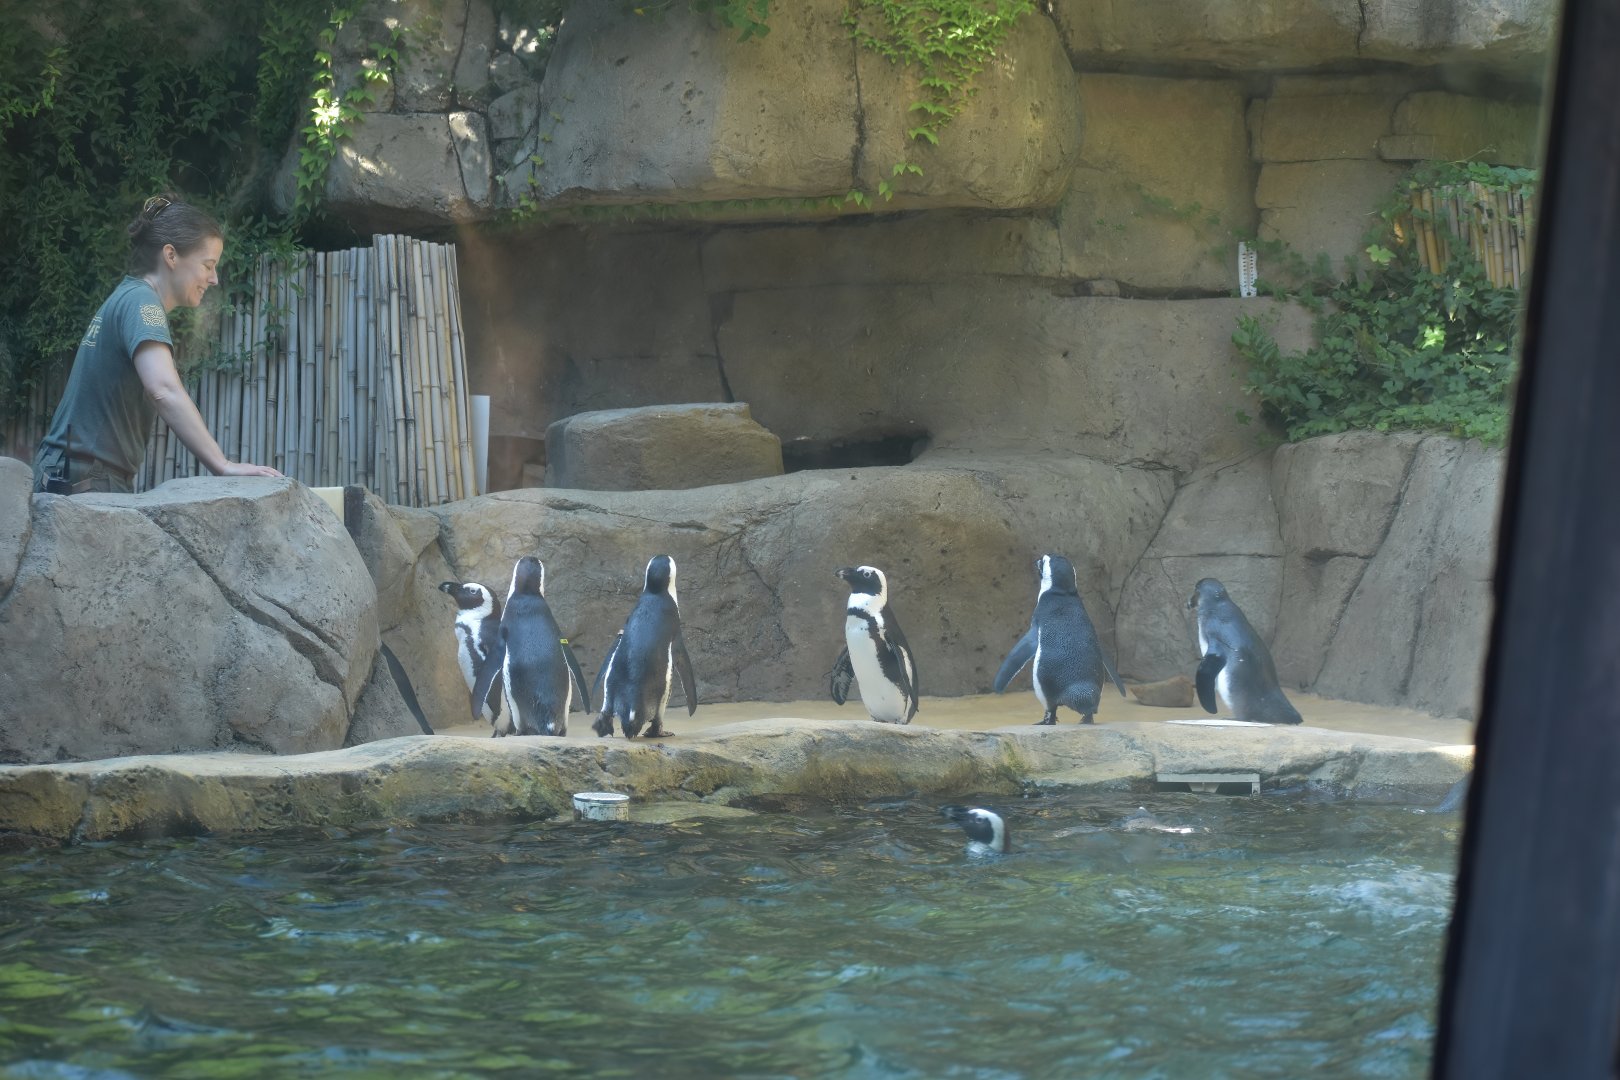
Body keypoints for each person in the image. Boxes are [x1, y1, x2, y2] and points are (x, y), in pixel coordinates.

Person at [31, 194, 282, 494]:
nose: (214, 279)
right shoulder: (142, 302)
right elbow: (163, 388)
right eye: (208, 264)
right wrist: (223, 465)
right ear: (171, 255)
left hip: (77, 471)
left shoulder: (129, 297)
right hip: (84, 476)